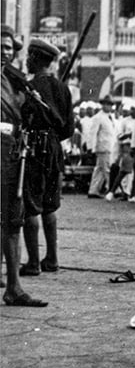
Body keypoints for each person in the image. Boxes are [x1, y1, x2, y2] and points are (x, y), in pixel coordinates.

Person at [1, 26, 48, 306]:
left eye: (9, 47)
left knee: (12, 220)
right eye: (0, 46)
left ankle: (14, 288)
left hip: (9, 154)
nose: (5, 52)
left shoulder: (12, 80)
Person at [19, 39, 74, 276]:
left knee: (31, 208)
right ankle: (51, 259)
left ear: (35, 58)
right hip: (53, 150)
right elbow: (69, 129)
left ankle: (32, 263)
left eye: (30, 56)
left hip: (33, 148)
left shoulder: (28, 88)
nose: (27, 61)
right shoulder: (62, 89)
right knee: (50, 208)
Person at [87, 96, 117, 198]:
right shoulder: (98, 117)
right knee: (107, 169)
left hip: (110, 146)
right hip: (102, 147)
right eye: (106, 104)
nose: (108, 106)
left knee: (99, 169)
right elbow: (92, 133)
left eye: (110, 105)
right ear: (102, 105)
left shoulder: (111, 117)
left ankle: (93, 190)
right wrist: (90, 147)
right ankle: (113, 190)